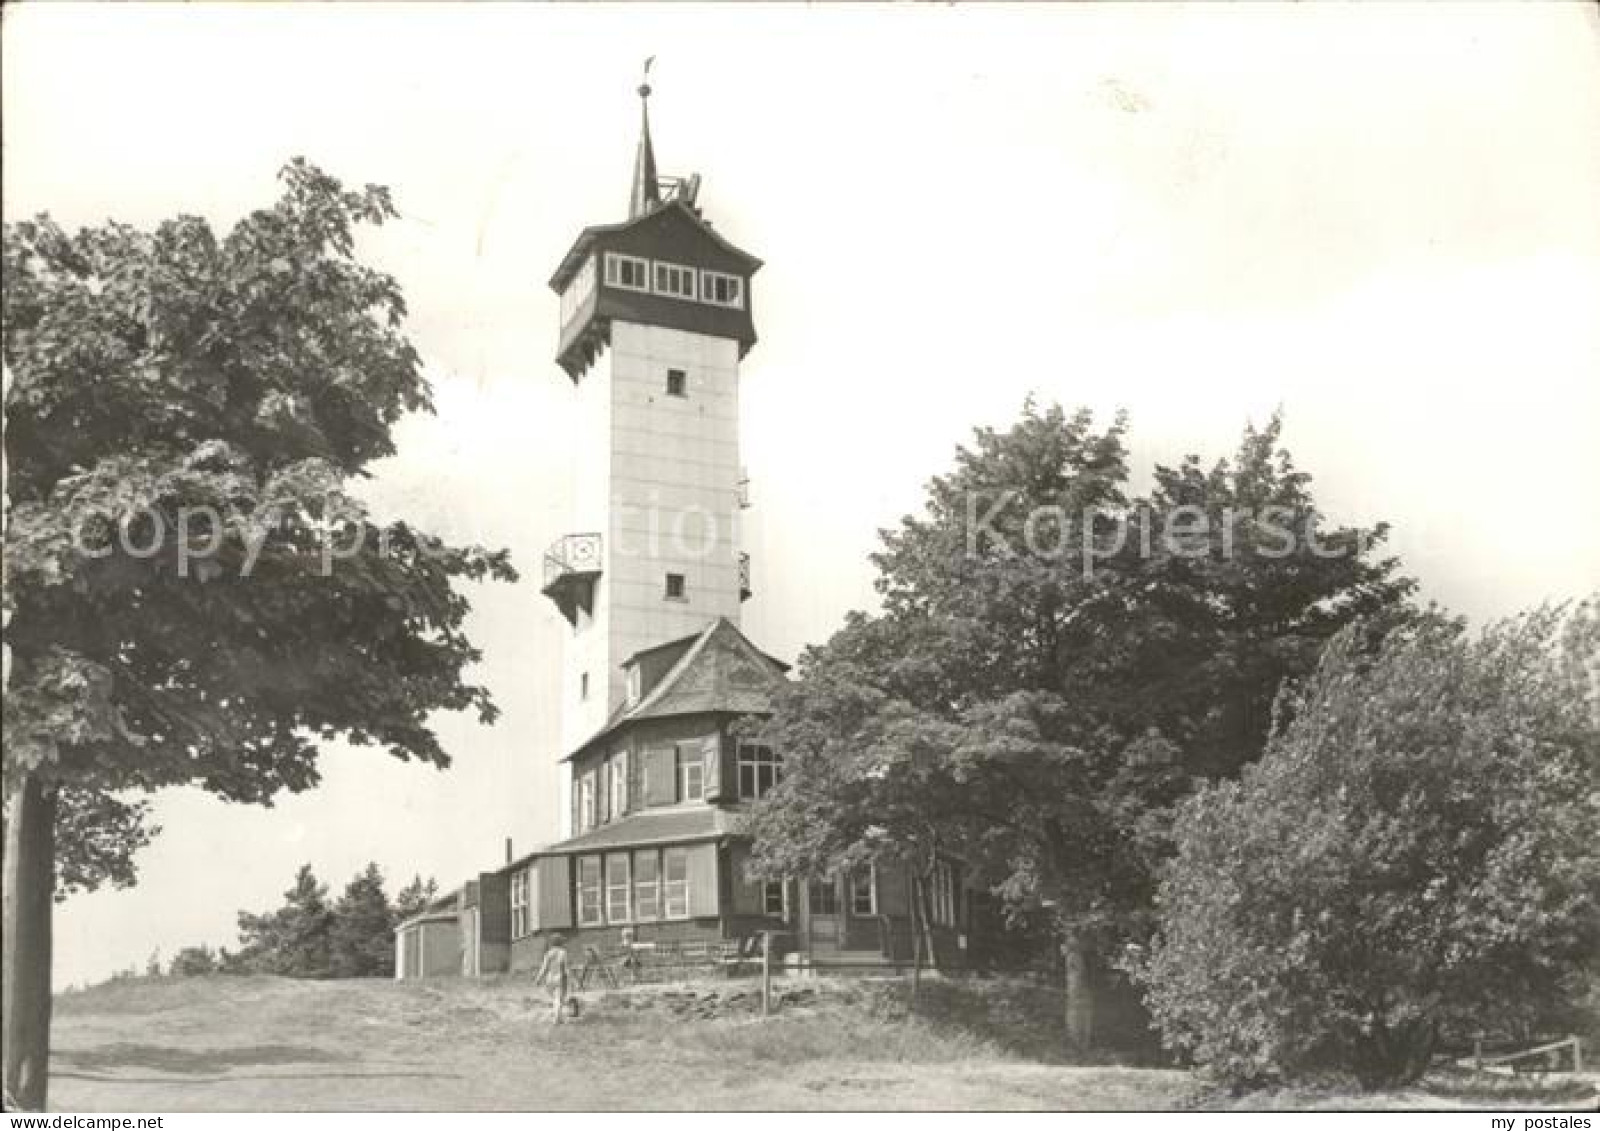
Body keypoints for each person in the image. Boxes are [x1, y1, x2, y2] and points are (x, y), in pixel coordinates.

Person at [533, 935, 572, 1025]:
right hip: (560, 978)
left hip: (549, 978)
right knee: (558, 999)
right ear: (560, 943)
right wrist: (570, 979)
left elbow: (544, 967)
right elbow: (566, 967)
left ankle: (559, 1018)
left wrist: (538, 978)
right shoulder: (563, 952)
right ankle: (556, 1019)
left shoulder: (548, 953)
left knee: (556, 998)